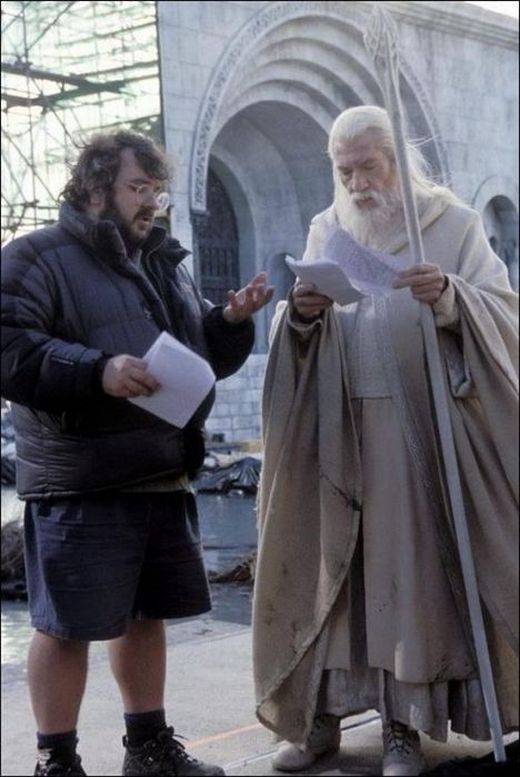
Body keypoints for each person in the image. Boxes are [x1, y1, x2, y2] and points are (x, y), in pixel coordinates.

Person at [252, 106, 518, 776]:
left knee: (405, 580)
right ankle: (318, 719)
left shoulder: (452, 224)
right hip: (337, 429)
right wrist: (302, 314)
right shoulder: (328, 225)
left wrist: (452, 296)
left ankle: (403, 724)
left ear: (398, 160)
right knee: (331, 579)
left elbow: (504, 314)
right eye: (345, 171)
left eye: (368, 167)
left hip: (415, 431)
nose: (358, 184)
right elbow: (304, 318)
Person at [1, 129, 273, 777]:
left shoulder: (162, 261)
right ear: (96, 188)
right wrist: (98, 370)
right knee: (64, 626)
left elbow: (196, 356)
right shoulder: (36, 256)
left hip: (159, 471)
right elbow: (9, 347)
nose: (152, 202)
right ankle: (56, 762)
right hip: (81, 480)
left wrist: (227, 324)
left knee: (147, 615)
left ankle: (148, 749)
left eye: (157, 190)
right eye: (138, 188)